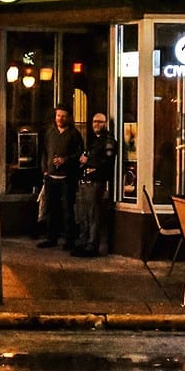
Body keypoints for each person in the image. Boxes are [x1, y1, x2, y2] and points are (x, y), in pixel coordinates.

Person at [38, 106, 84, 249]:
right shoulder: (50, 133)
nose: (60, 119)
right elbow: (44, 152)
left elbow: (80, 154)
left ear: (68, 117)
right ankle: (51, 238)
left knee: (67, 210)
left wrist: (66, 160)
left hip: (66, 178)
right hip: (51, 177)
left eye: (63, 116)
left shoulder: (74, 134)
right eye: (58, 115)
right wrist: (45, 170)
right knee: (51, 208)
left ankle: (69, 240)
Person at [73, 112, 117, 257]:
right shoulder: (93, 141)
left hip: (96, 182)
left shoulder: (108, 141)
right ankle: (84, 242)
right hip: (86, 181)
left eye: (99, 122)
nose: (96, 125)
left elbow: (108, 163)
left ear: (105, 124)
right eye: (94, 122)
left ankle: (92, 245)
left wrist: (92, 165)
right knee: (84, 214)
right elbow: (83, 160)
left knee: (94, 215)